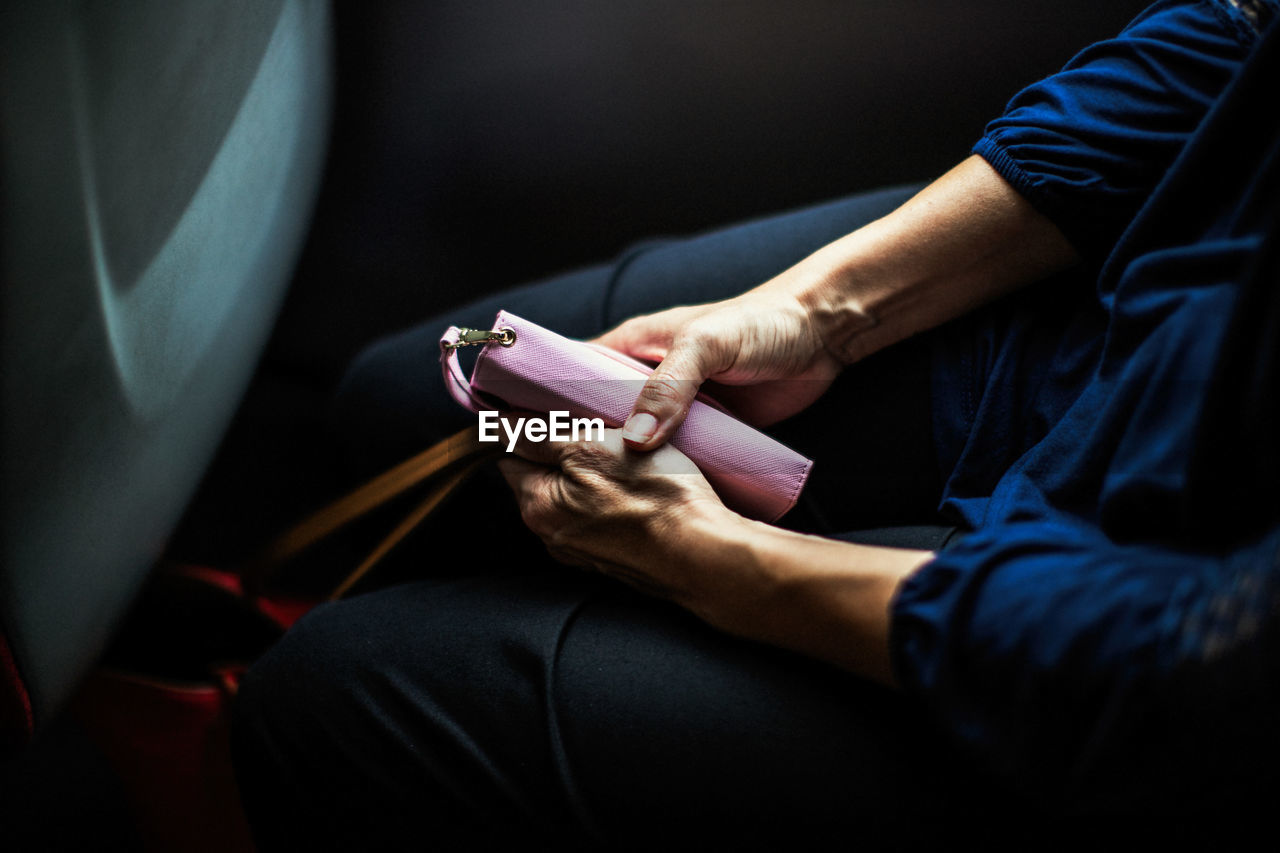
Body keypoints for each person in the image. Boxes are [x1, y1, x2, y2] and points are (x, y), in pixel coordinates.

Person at [232, 1, 1280, 848]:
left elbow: (1180, 680)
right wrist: (818, 312)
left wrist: (705, 554)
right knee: (404, 405)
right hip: (1093, 316)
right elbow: (1234, 34)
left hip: (1112, 633)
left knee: (331, 696)